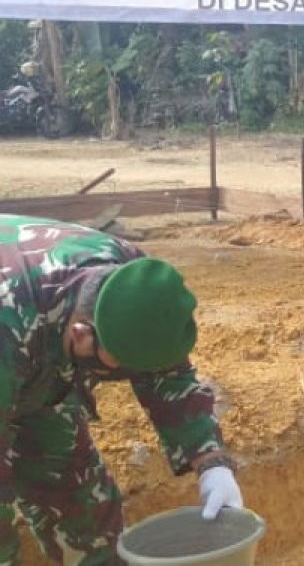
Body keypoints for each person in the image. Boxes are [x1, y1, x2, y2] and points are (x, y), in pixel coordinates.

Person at [0, 215, 243, 564]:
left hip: (38, 352)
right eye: (118, 364)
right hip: (13, 333)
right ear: (81, 334)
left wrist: (211, 462)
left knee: (81, 504)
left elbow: (165, 370)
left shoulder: (132, 281)